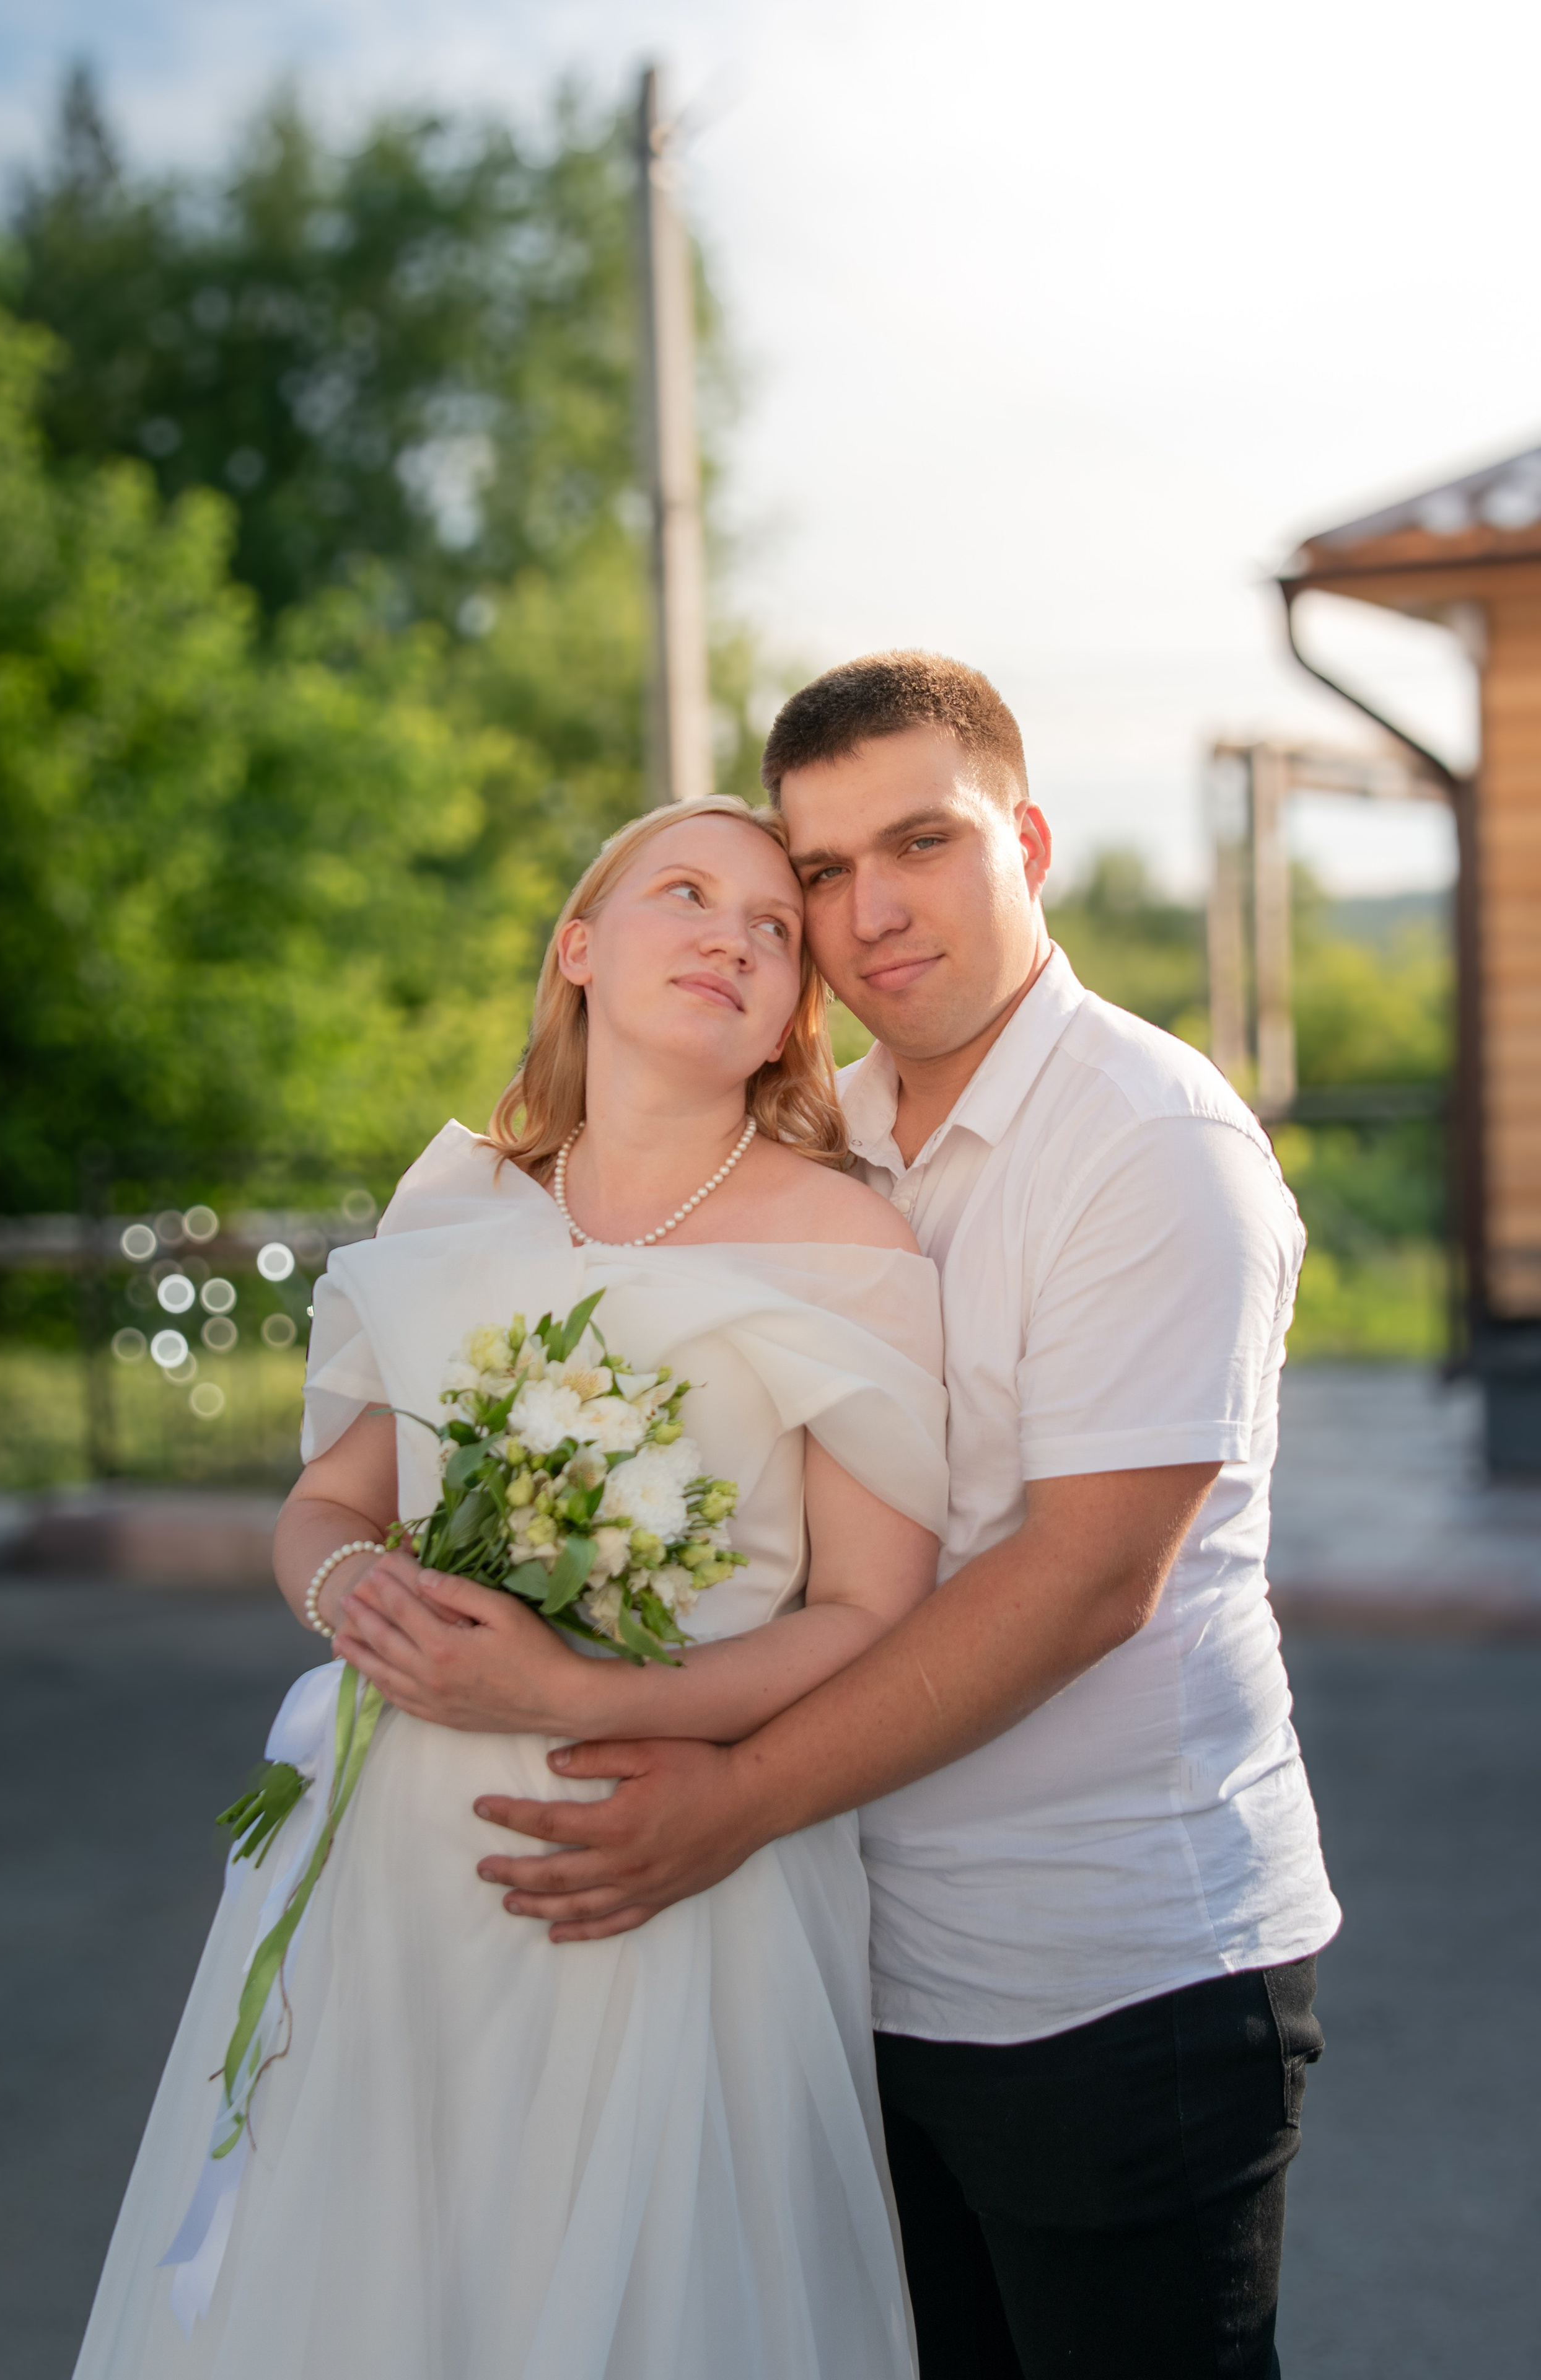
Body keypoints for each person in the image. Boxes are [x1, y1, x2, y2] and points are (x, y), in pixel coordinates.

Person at [374, 654, 1343, 2380]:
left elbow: (1082, 1578)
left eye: (921, 843)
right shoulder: (835, 1134)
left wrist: (730, 1797)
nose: (868, 910)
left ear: (1027, 839)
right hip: (845, 1956)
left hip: (1106, 1973)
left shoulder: (1152, 1142)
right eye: (820, 871)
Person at [71, 794, 952, 2380]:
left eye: (770, 931)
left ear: (786, 1022)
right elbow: (327, 1503)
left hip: (664, 1856)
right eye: (684, 893)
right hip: (392, 1862)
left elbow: (866, 1615)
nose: (731, 938)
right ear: (577, 949)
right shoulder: (453, 1199)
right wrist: (349, 1594)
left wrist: (580, 1694)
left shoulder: (848, 1239)